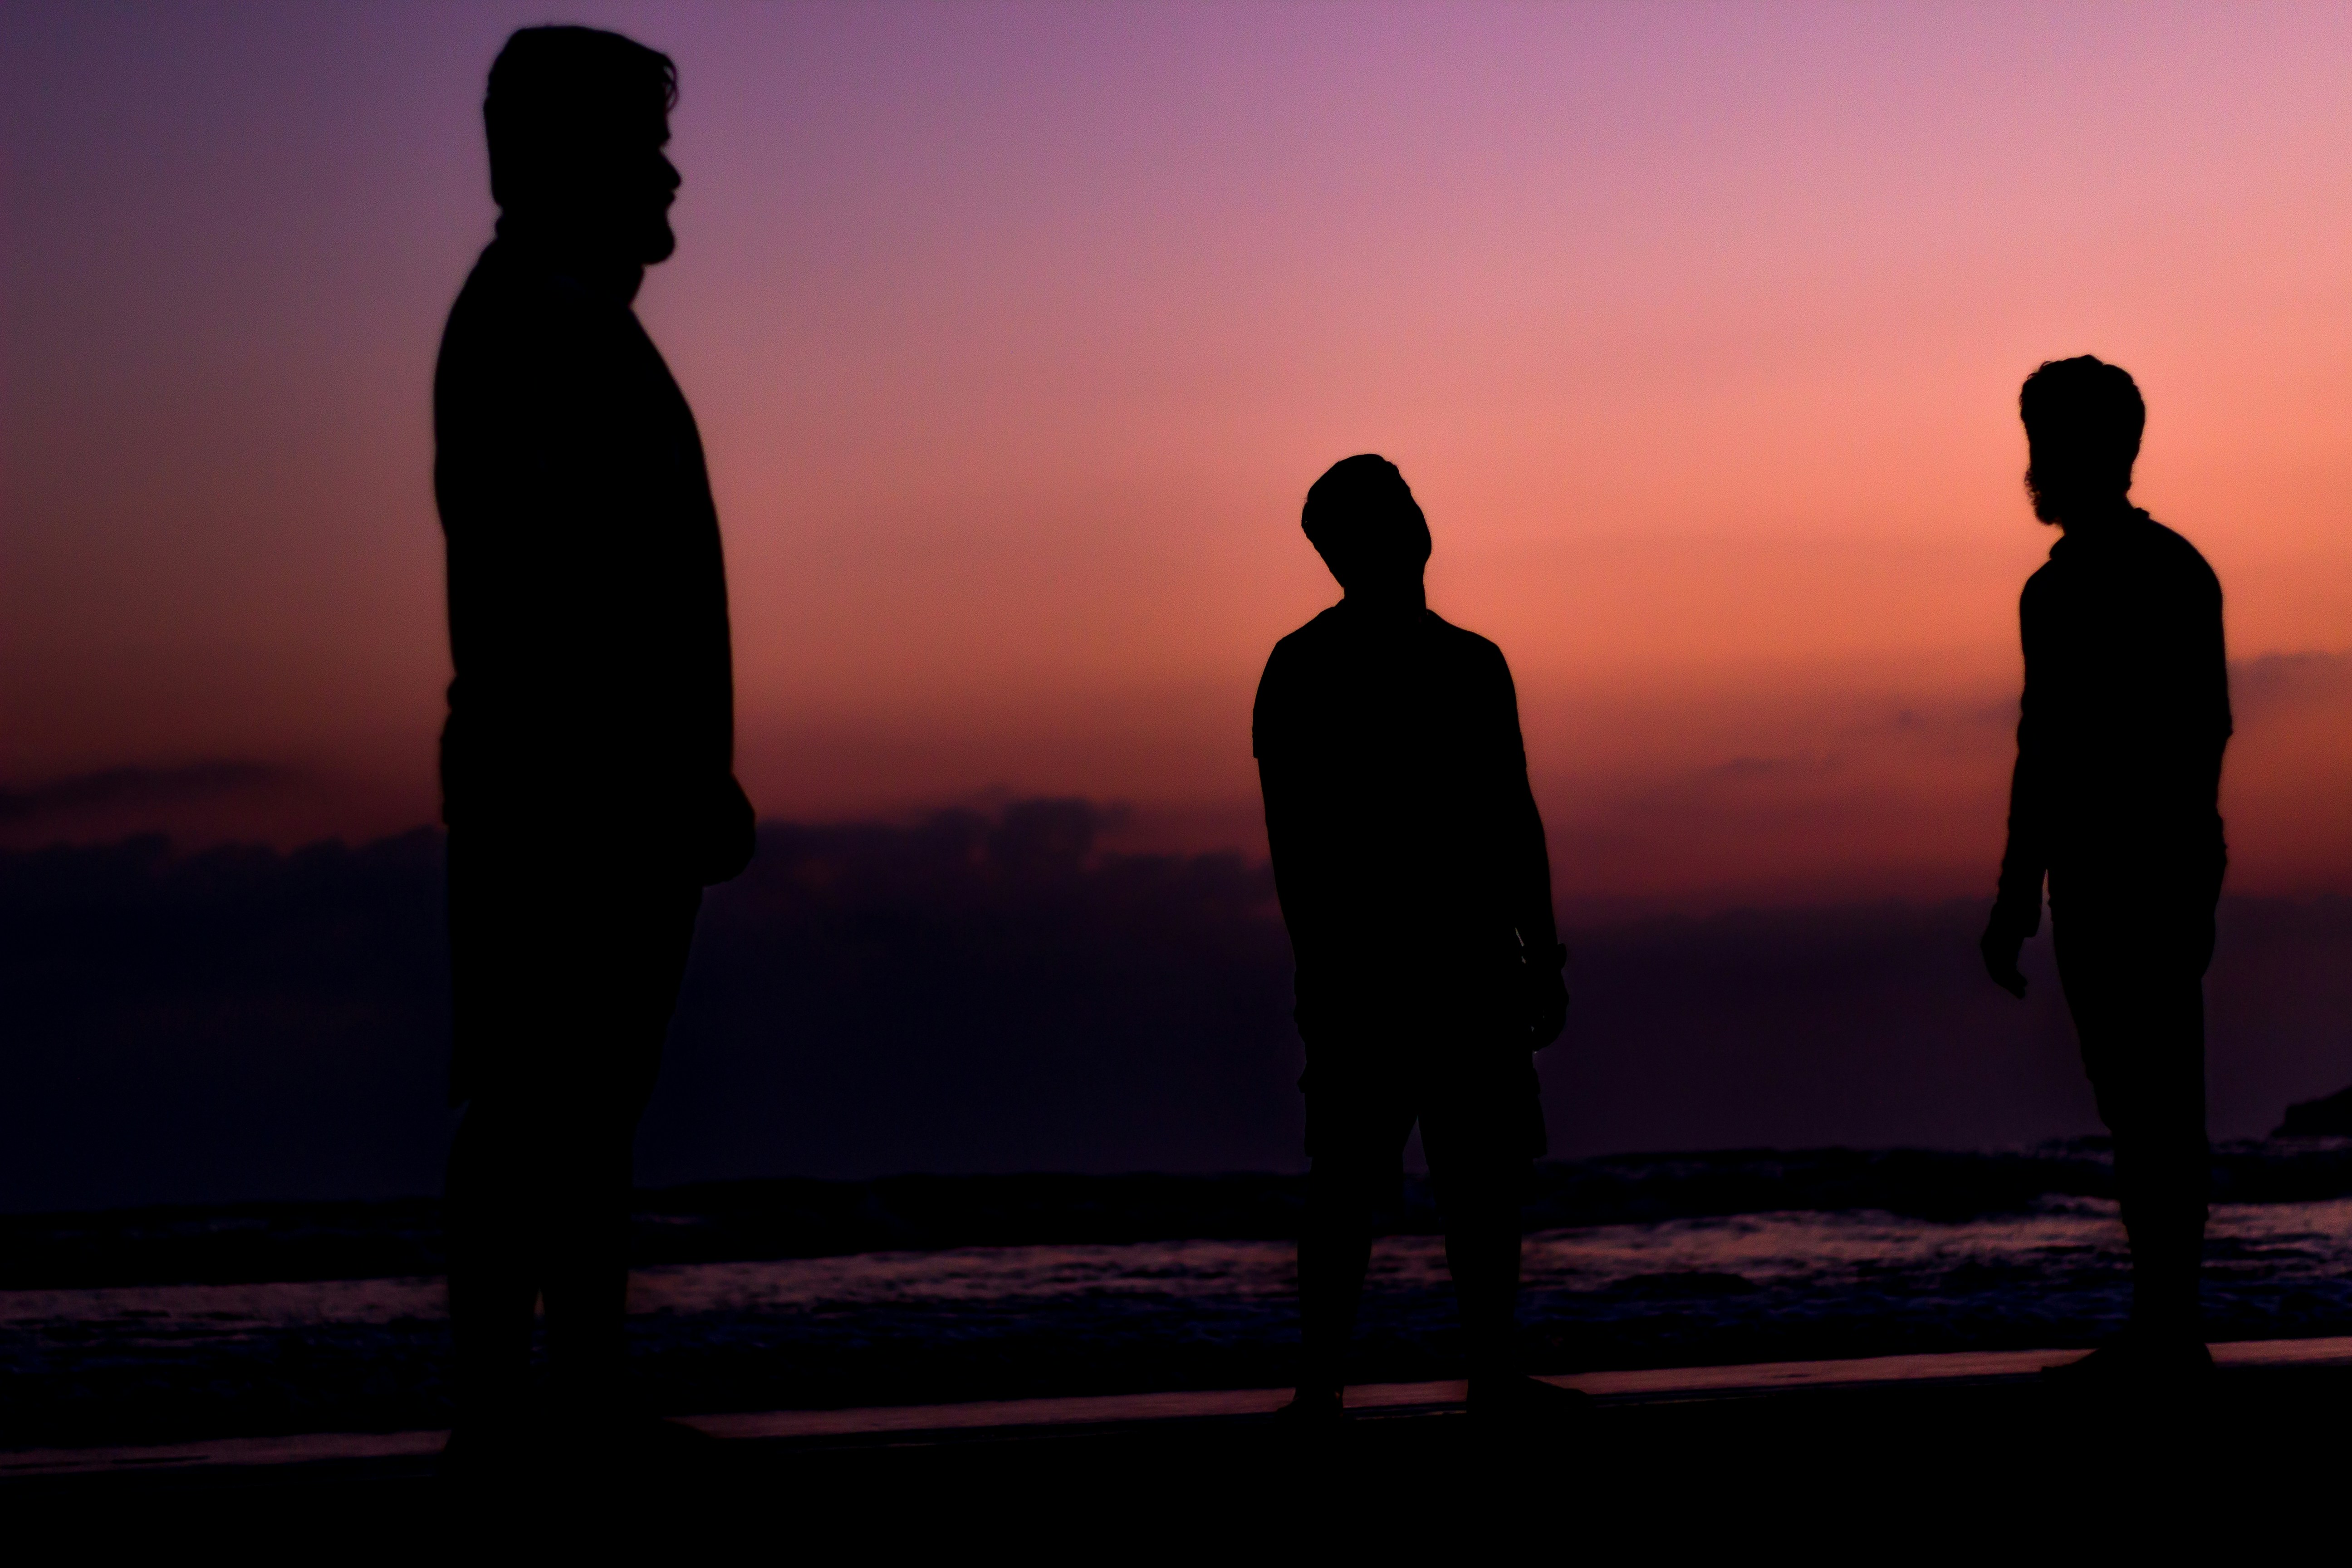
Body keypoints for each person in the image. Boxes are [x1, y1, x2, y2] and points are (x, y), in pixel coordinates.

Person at [433, 25, 755, 1461]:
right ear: (572, 161)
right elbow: (564, 591)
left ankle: (561, 1398)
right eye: (644, 146)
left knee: (573, 1102)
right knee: (544, 1102)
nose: (672, 173)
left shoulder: (557, 321)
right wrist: (659, 773)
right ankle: (530, 1410)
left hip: (591, 791)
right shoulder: (542, 328)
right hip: (574, 798)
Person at [1253, 455, 1580, 1426]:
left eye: (1401, 511)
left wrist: (1543, 951)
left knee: (1474, 1175)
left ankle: (1481, 1374)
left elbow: (1513, 818)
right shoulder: (1304, 668)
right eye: (1379, 521)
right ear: (1343, 551)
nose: (1402, 531)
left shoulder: (1471, 663)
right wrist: (1319, 968)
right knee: (1355, 1178)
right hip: (1372, 967)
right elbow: (1298, 844)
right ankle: (1323, 1387)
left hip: (1465, 958)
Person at [1979, 357, 2231, 1384]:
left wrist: (2147, 856)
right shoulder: (2061, 587)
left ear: (2102, 449)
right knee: (2138, 1100)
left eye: (2048, 438)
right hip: (2103, 873)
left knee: (2157, 1097)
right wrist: (2016, 894)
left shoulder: (2159, 574)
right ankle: (2163, 1325)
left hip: (2148, 871)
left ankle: (2171, 1331)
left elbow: (2195, 727)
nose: (2036, 461)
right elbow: (2043, 749)